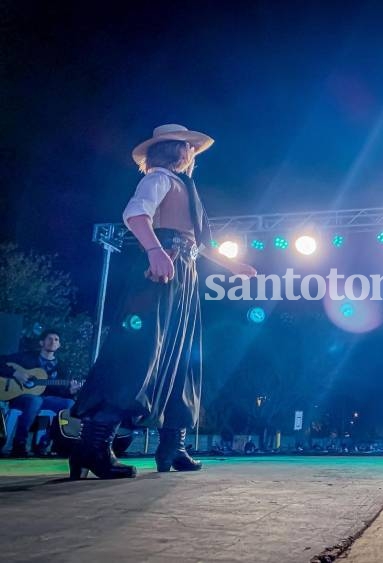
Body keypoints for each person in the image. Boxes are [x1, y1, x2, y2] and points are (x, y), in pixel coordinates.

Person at [71, 124, 256, 479]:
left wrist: (233, 266)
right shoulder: (158, 179)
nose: (191, 154)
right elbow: (135, 215)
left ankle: (174, 445)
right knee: (138, 352)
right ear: (177, 152)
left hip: (183, 270)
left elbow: (200, 243)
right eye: (188, 148)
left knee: (182, 356)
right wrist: (155, 251)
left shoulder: (185, 187)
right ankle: (92, 444)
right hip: (159, 268)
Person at [0, 329, 81, 457]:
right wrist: (15, 373)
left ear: (59, 345)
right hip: (20, 397)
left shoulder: (61, 367)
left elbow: (60, 391)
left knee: (69, 403)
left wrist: (70, 391)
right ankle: (19, 443)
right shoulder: (26, 357)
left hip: (45, 399)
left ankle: (46, 443)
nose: (53, 342)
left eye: (56, 339)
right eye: (49, 339)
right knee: (35, 400)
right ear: (41, 342)